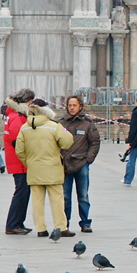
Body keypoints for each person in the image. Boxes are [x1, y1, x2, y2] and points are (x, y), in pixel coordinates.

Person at [15, 99, 75, 237]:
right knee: (57, 199)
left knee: (37, 201)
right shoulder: (54, 126)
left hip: (34, 169)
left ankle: (40, 229)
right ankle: (61, 227)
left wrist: (28, 163)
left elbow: (19, 151)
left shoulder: (24, 127)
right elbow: (67, 142)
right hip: (53, 168)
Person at [59, 95, 101, 233]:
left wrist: (88, 159)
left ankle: (85, 222)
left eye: (74, 105)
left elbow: (95, 142)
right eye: (70, 105)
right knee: (65, 196)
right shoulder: (61, 123)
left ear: (80, 107)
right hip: (65, 165)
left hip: (82, 164)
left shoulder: (88, 124)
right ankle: (65, 223)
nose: (72, 108)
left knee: (83, 195)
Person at [4, 89, 35, 234]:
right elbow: (17, 141)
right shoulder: (17, 117)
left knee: (23, 192)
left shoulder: (13, 114)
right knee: (21, 192)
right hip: (19, 162)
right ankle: (13, 224)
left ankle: (18, 222)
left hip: (17, 160)